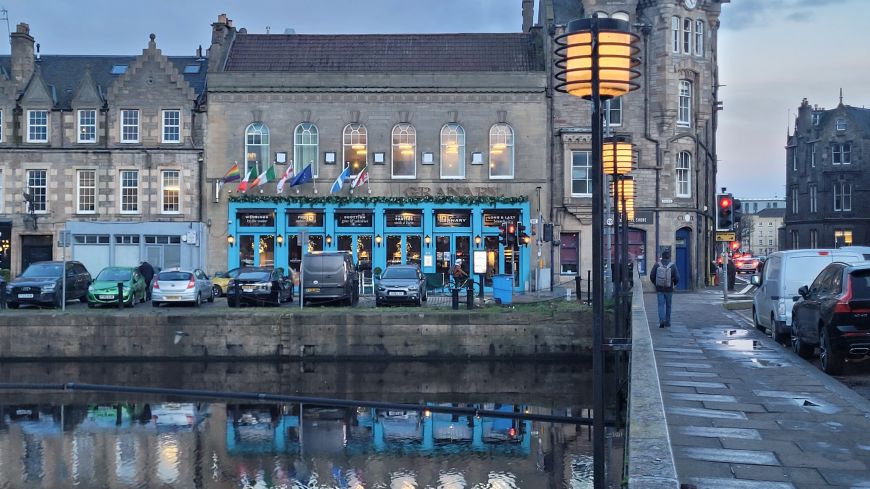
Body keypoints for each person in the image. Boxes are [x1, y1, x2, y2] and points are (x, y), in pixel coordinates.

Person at [649, 250, 679, 328]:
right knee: (668, 306)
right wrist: (674, 284)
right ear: (669, 256)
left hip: (659, 289)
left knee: (660, 305)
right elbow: (677, 277)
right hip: (669, 289)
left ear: (662, 256)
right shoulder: (673, 266)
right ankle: (668, 322)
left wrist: (656, 284)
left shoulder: (657, 265)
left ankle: (661, 320)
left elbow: (652, 275)